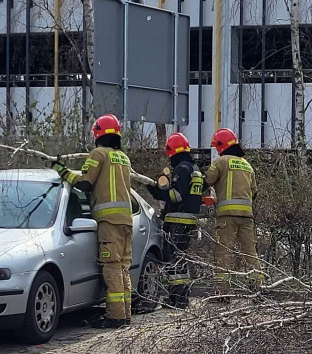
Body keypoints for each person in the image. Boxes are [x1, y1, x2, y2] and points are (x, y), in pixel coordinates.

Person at [52, 114, 134, 328]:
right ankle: (124, 314)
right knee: (123, 267)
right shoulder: (123, 157)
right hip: (126, 220)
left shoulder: (98, 154)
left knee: (112, 267)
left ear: (97, 133)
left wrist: (63, 172)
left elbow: (86, 183)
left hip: (108, 220)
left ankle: (115, 317)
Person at [147, 131, 204, 308]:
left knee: (173, 258)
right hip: (189, 220)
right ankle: (180, 297)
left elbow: (177, 195)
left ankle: (177, 299)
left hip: (178, 221)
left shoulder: (182, 168)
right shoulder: (195, 169)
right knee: (181, 258)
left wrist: (156, 192)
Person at [204, 128, 262, 294]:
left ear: (222, 146)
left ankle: (223, 293)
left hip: (226, 218)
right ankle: (258, 288)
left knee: (223, 253)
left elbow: (206, 181)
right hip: (247, 217)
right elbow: (254, 192)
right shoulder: (247, 165)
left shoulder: (221, 162)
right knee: (251, 253)